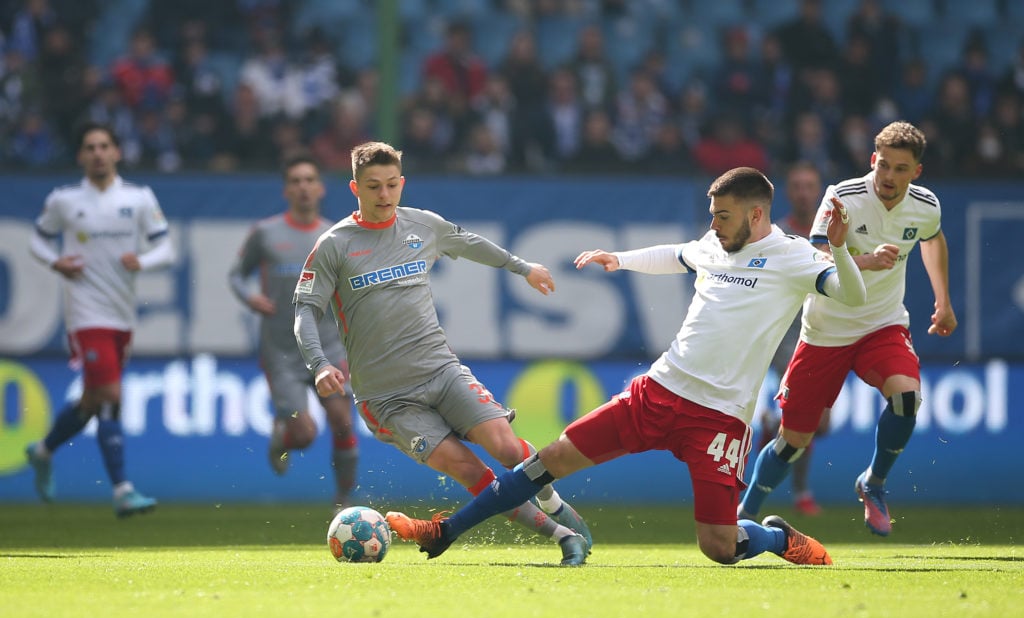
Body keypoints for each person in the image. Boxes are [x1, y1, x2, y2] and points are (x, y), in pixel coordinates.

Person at [386, 166, 867, 566]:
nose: (714, 224)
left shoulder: (795, 257)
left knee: (719, 547)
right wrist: (619, 258)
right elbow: (677, 255)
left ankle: (777, 539)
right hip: (657, 392)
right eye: (712, 215)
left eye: (723, 215)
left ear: (756, 213)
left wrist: (841, 250)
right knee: (548, 460)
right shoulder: (716, 244)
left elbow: (851, 294)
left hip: (719, 418)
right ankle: (445, 532)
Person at [293, 141, 592, 565]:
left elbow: (469, 243)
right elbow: (305, 311)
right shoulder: (335, 244)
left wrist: (522, 267)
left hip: (442, 370)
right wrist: (319, 364)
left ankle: (554, 504)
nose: (384, 195)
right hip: (388, 398)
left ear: (402, 183)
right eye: (373, 186)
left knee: (507, 448)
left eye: (392, 184)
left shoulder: (422, 226)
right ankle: (563, 537)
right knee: (471, 471)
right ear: (354, 187)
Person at [738, 121, 957, 537]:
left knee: (908, 398)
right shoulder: (842, 197)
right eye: (884, 166)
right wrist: (867, 260)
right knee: (793, 440)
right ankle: (743, 511)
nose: (889, 177)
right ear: (873, 160)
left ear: (917, 172)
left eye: (900, 169)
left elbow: (932, 239)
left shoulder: (926, 205)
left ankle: (873, 482)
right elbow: (817, 256)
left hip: (883, 323)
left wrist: (943, 302)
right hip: (826, 330)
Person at [24, 121, 175, 517]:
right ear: (81, 156)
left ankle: (42, 451)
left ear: (116, 153)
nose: (97, 153)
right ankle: (122, 489)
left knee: (94, 401)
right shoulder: (65, 200)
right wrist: (55, 260)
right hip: (85, 313)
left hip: (121, 314)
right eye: (89, 147)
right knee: (111, 396)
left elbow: (167, 249)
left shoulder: (139, 198)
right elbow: (37, 238)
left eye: (104, 146)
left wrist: (140, 261)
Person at [228, 154, 358, 508]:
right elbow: (237, 274)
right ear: (287, 190)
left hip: (329, 346)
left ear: (320, 188)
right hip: (282, 351)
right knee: (305, 433)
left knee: (342, 420)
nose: (303, 187)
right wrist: (250, 298)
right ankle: (284, 436)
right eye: (295, 181)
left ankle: (344, 500)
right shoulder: (266, 233)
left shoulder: (336, 235)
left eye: (309, 180)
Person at [750, 161, 831, 517]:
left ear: (819, 191)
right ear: (788, 192)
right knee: (804, 417)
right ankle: (798, 492)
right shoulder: (776, 235)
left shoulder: (834, 236)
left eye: (809, 185)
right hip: (783, 334)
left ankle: (771, 428)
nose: (802, 192)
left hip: (821, 333)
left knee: (819, 425)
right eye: (796, 185)